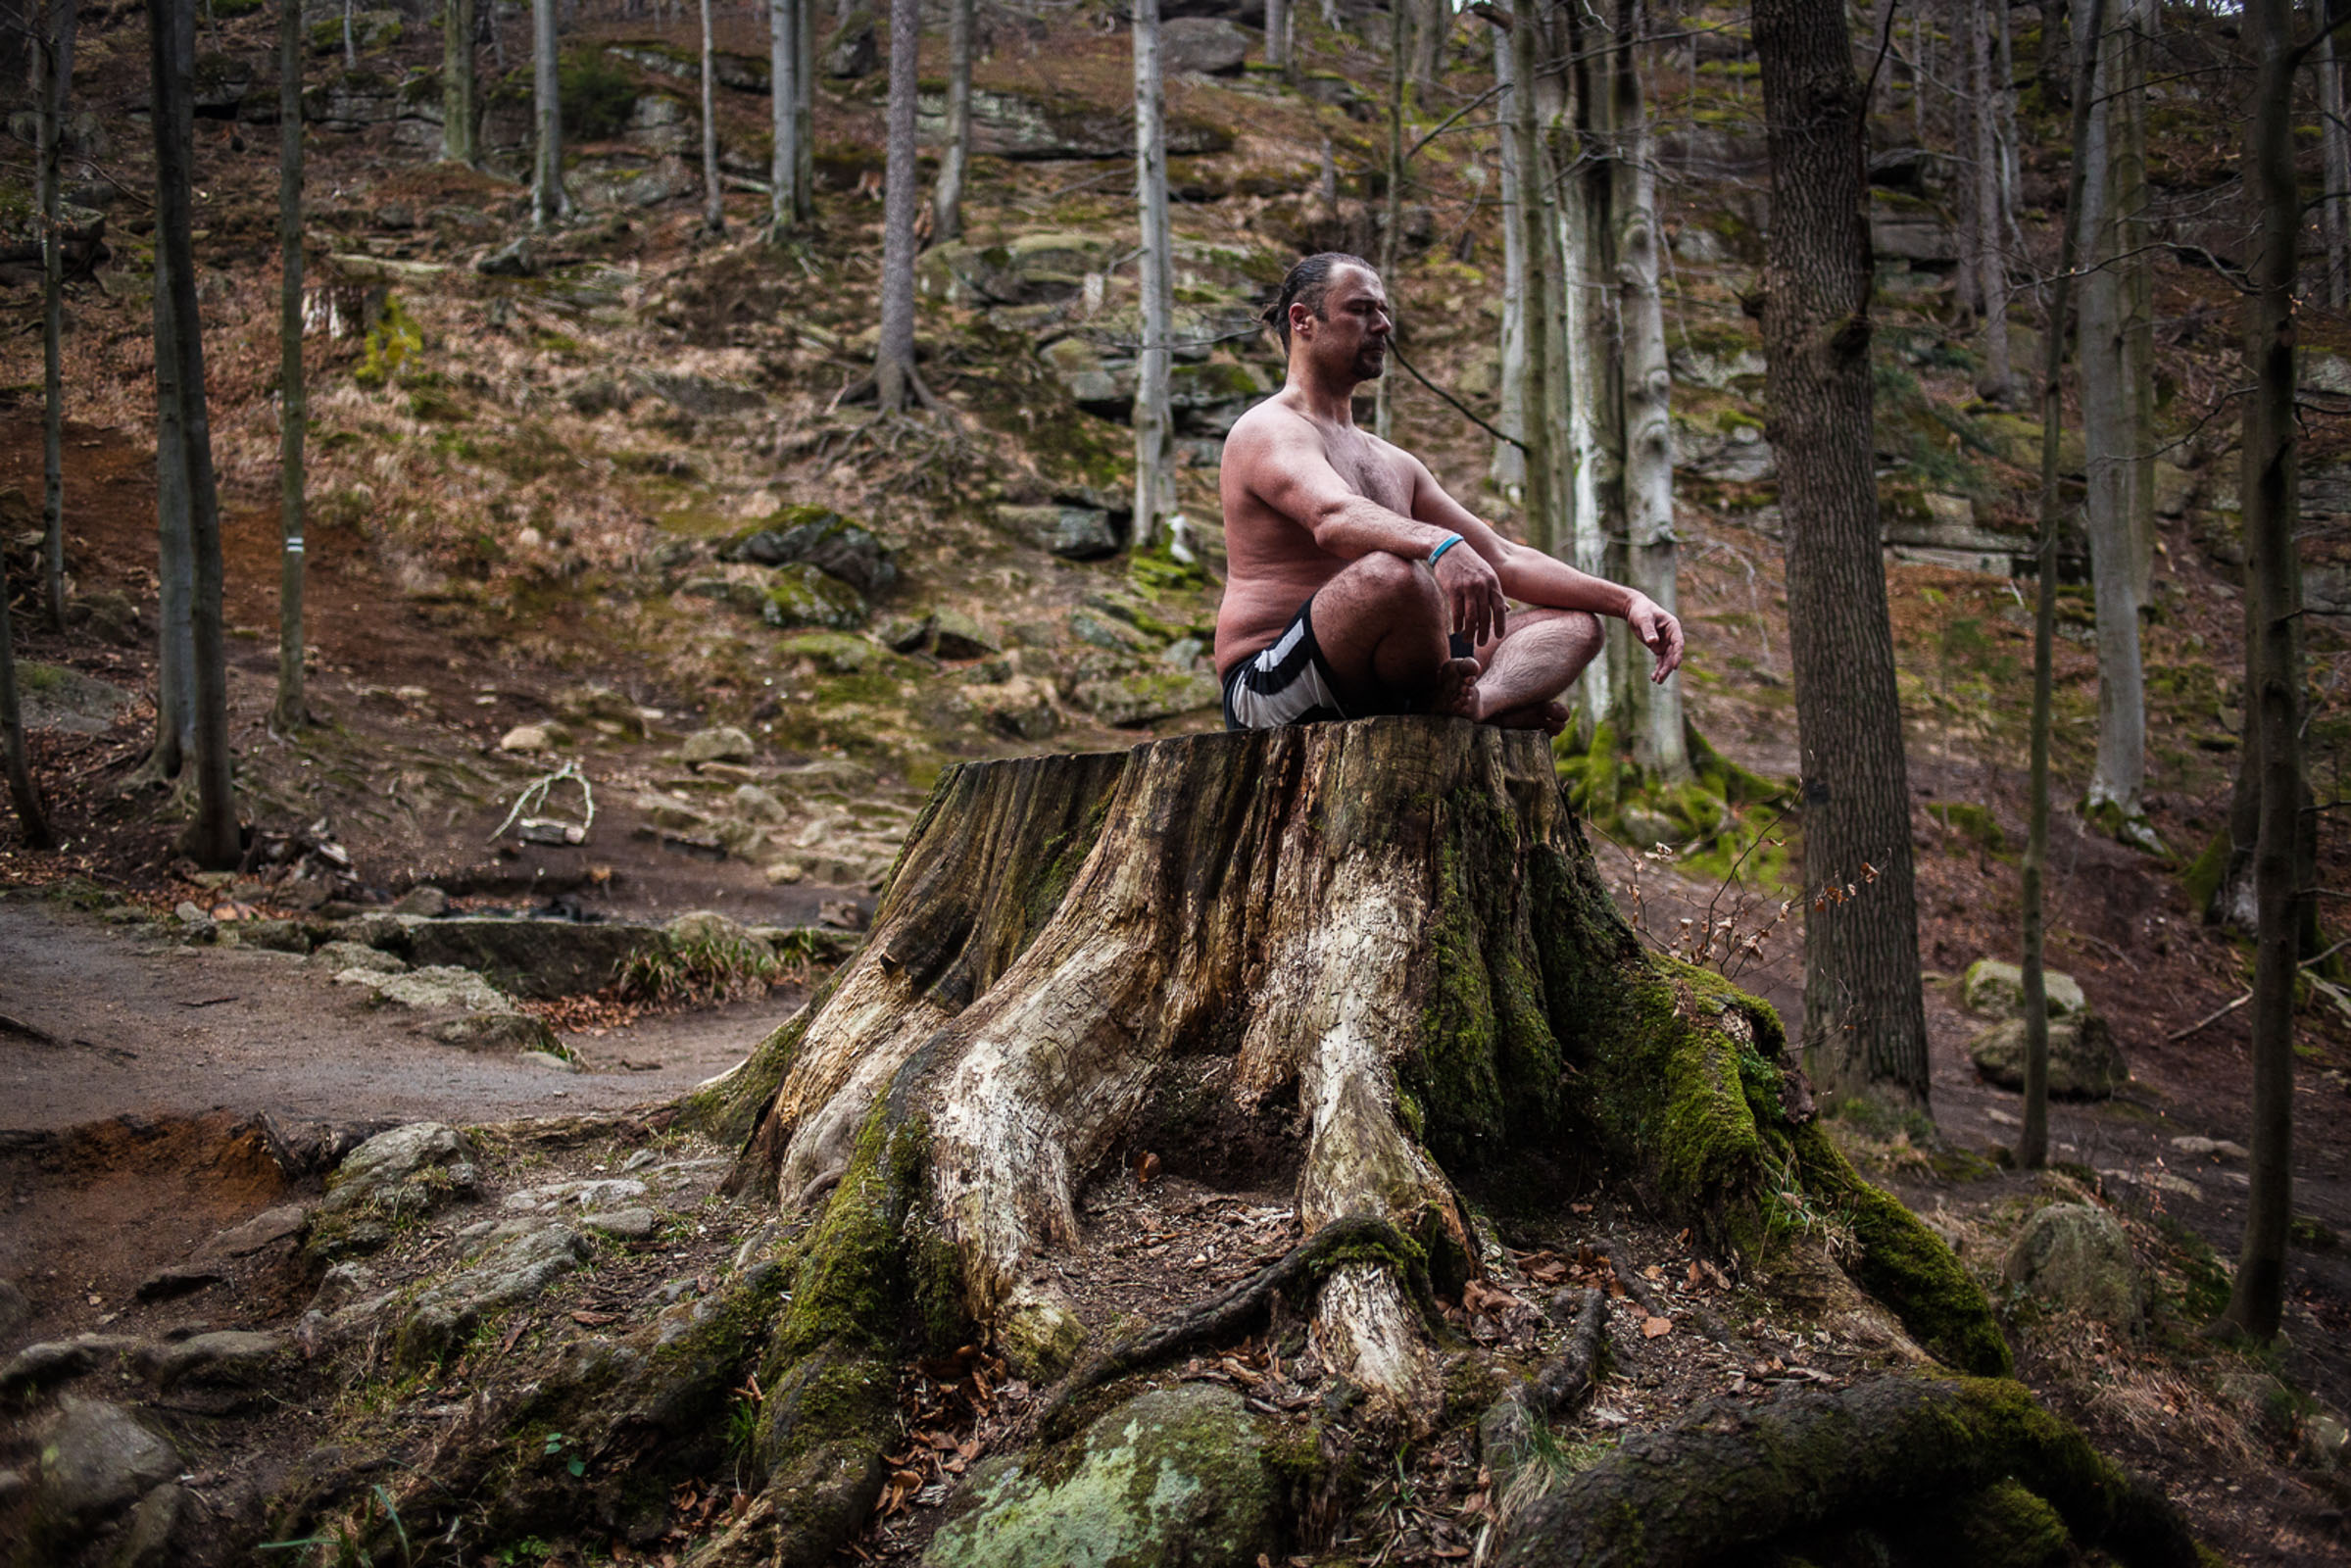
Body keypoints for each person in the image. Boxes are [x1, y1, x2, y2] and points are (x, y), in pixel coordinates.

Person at [1214, 252, 1684, 734]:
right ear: (1302, 320)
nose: (1383, 326)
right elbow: (1332, 517)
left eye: (1384, 311)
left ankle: (1475, 705)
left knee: (1577, 625)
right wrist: (1440, 545)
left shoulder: (1394, 462)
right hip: (1270, 687)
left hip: (1387, 679)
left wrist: (1628, 601)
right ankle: (1447, 707)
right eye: (1361, 309)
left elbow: (1503, 558)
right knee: (1396, 576)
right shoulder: (1268, 429)